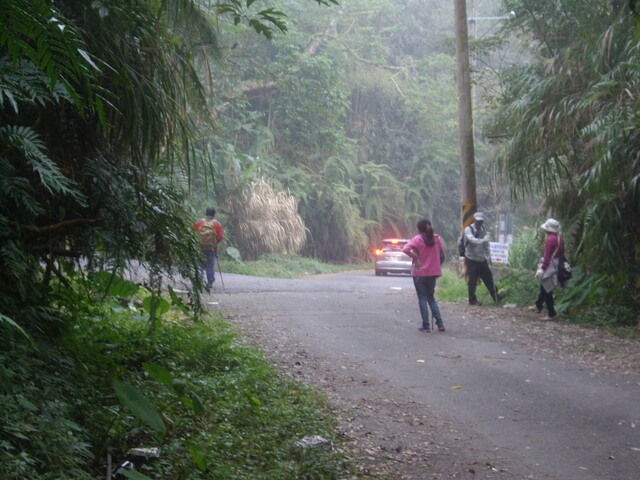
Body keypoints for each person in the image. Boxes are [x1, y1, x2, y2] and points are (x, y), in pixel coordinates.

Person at [402, 218, 446, 333]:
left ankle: (426, 326)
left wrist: (415, 257)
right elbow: (442, 255)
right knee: (431, 297)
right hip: (433, 273)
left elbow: (406, 249)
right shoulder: (437, 239)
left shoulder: (417, 239)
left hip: (419, 273)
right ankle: (440, 323)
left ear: (419, 229)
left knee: (422, 298)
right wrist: (437, 265)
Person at [463, 212, 503, 305]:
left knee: (488, 278)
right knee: (472, 280)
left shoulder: (483, 230)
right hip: (471, 259)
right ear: (474, 221)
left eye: (481, 221)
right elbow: (472, 240)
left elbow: (486, 245)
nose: (479, 223)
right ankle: (472, 300)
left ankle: (495, 296)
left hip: (481, 259)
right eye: (477, 221)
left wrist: (489, 256)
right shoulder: (468, 230)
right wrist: (483, 240)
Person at [533, 218, 564, 320]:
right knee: (545, 286)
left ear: (548, 229)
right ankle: (538, 305)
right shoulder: (560, 239)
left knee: (547, 290)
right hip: (557, 264)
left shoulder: (550, 240)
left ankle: (551, 313)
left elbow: (546, 257)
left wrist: (542, 269)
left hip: (549, 266)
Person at [194, 208, 223, 288]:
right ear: (214, 214)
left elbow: (194, 234)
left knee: (200, 265)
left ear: (205, 213)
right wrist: (214, 243)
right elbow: (220, 237)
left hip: (200, 248)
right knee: (210, 265)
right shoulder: (217, 224)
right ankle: (210, 282)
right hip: (212, 249)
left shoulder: (199, 222)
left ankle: (198, 281)